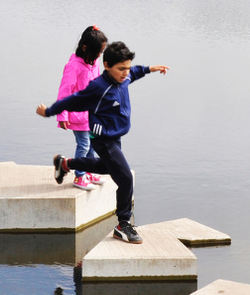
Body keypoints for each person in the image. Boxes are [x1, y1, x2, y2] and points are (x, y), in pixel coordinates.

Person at [36, 41, 168, 244]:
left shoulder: (124, 77)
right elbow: (72, 100)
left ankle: (65, 164)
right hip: (103, 139)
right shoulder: (98, 87)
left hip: (115, 136)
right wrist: (50, 112)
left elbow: (136, 72)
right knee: (125, 178)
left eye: (127, 68)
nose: (125, 73)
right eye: (121, 69)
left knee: (107, 168)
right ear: (106, 65)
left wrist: (151, 69)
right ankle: (123, 224)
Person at [55, 25, 108, 191]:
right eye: (97, 52)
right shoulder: (74, 66)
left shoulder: (94, 63)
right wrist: (62, 115)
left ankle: (88, 171)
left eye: (101, 52)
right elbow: (65, 91)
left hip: (92, 115)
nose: (99, 55)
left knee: (92, 144)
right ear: (85, 48)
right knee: (84, 145)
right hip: (78, 116)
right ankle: (79, 175)